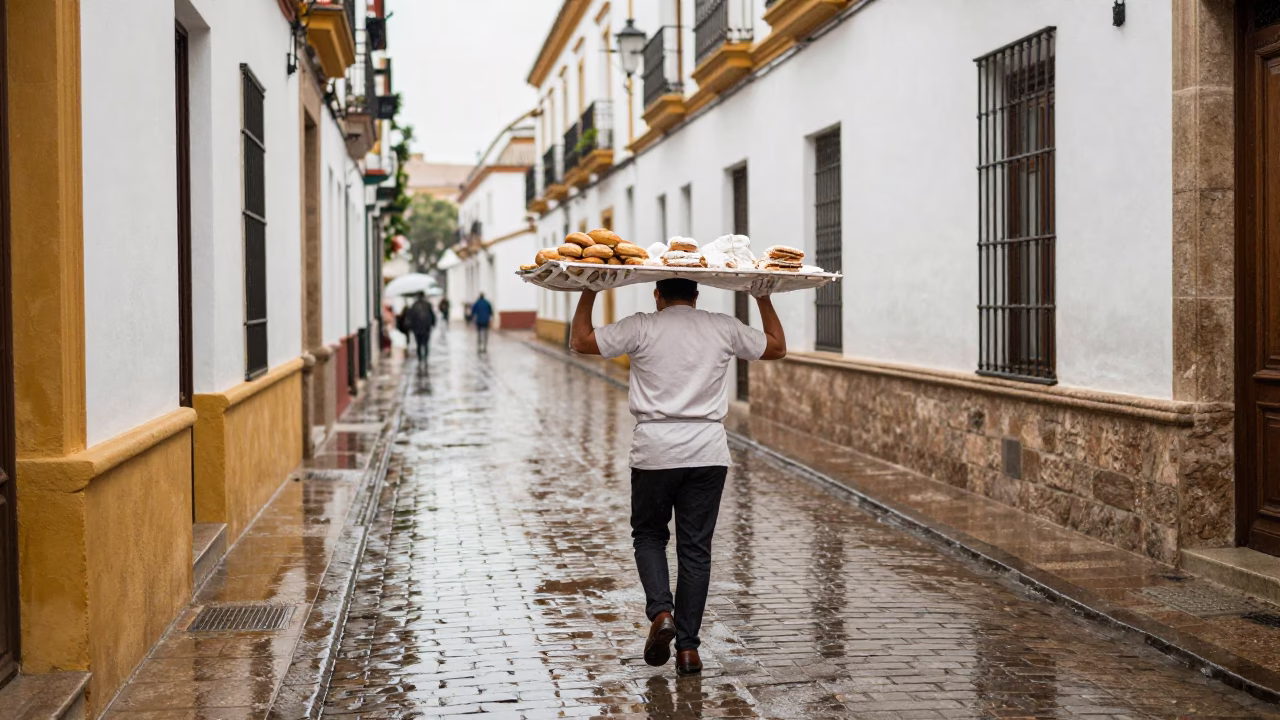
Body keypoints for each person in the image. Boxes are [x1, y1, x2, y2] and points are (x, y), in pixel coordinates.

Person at [569, 278, 786, 676]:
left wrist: (590, 290)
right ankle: (688, 651)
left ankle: (661, 613)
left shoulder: (641, 326)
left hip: (655, 449)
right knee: (695, 550)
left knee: (650, 535)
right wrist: (762, 297)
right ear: (697, 295)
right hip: (707, 451)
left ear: (658, 295)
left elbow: (581, 341)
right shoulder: (721, 325)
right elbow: (776, 346)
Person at [407, 294, 436, 362]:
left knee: (419, 344)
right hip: (426, 328)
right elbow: (432, 316)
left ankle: (420, 359)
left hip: (417, 328)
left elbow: (411, 317)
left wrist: (411, 326)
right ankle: (425, 358)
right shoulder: (428, 305)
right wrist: (433, 324)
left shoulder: (414, 305)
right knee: (426, 344)